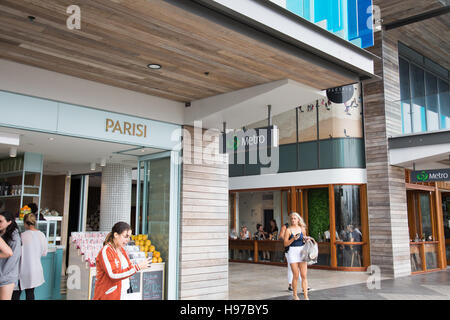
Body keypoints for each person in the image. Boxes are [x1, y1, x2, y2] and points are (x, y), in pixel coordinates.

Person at [93, 222, 151, 300]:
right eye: (125, 236)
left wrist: (139, 266)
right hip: (108, 295)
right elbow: (113, 275)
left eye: (129, 237)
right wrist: (137, 267)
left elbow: (128, 268)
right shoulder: (106, 251)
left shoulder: (122, 250)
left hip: (123, 293)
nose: (128, 240)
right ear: (116, 235)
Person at [12, 213, 48, 300]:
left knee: (15, 294)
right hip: (35, 270)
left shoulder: (22, 236)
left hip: (22, 270)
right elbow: (44, 253)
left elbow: (16, 253)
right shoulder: (42, 235)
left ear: (25, 223)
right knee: (30, 294)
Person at [284, 212, 311, 300]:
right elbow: (285, 244)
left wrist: (306, 239)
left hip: (301, 251)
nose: (293, 220)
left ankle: (306, 296)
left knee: (304, 275)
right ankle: (295, 295)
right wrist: (293, 239)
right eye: (292, 218)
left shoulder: (302, 228)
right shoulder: (288, 230)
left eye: (295, 218)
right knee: (295, 275)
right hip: (292, 251)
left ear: (298, 220)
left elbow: (304, 239)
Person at [0, 211, 21, 300]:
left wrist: (3, 275)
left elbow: (12, 256)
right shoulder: (2, 234)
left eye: (1, 221)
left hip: (6, 277)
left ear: (9, 222)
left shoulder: (14, 237)